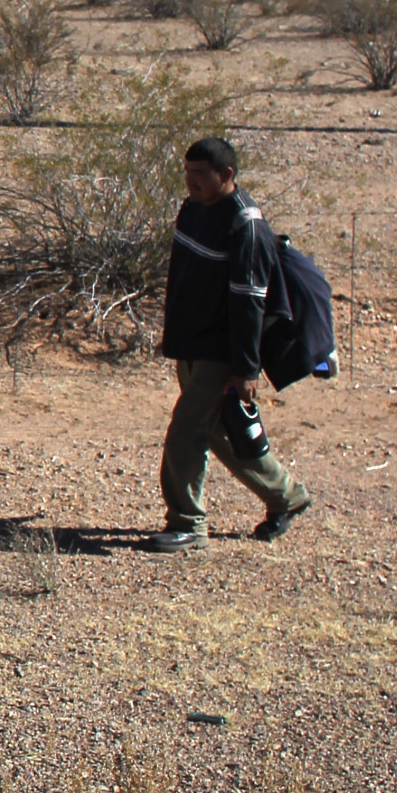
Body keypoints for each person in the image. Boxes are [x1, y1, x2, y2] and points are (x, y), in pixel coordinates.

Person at [145, 137, 313, 552]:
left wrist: (245, 369)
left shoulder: (247, 227)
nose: (191, 182)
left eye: (200, 175)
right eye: (187, 173)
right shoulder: (193, 210)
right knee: (221, 432)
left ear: (227, 175)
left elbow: (249, 305)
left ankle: (187, 524)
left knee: (186, 433)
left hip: (220, 352)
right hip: (190, 344)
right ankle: (286, 497)